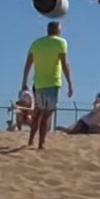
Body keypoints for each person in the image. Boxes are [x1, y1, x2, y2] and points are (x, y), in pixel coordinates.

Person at [21, 21, 74, 150]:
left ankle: (31, 140)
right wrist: (70, 83)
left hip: (38, 83)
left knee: (38, 112)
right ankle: (41, 143)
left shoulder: (36, 43)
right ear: (58, 30)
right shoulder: (61, 42)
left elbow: (28, 64)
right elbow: (65, 64)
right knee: (46, 114)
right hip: (52, 82)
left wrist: (24, 81)